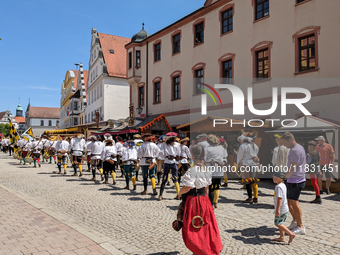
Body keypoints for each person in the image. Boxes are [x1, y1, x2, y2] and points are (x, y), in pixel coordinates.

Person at [174, 145, 223, 255]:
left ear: (192, 155)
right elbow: (206, 188)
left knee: (193, 226)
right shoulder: (206, 169)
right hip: (203, 199)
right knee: (204, 225)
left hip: (194, 201)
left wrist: (179, 193)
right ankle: (203, 248)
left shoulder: (192, 171)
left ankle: (199, 250)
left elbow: (188, 187)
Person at [280, 132, 306, 235]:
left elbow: (293, 167)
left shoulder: (295, 150)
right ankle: (295, 222)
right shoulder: (298, 148)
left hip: (295, 180)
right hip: (294, 180)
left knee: (294, 203)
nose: (284, 145)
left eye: (285, 143)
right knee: (290, 203)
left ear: (290, 140)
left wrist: (284, 178)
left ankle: (300, 226)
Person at [272, 171, 295, 244]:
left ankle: (290, 234)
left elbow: (279, 198)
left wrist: (278, 210)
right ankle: (282, 237)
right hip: (284, 208)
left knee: (277, 223)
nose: (273, 178)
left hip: (281, 209)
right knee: (280, 222)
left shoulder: (278, 187)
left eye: (275, 177)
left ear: (280, 178)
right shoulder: (283, 185)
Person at [205, 134, 226, 208]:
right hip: (219, 169)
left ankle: (210, 205)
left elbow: (204, 158)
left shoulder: (207, 148)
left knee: (210, 188)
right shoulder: (221, 148)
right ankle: (215, 202)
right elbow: (224, 158)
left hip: (211, 168)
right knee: (217, 187)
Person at [237, 135, 260, 203]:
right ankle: (255, 197)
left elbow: (240, 155)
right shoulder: (255, 145)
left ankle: (250, 197)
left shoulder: (243, 146)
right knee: (254, 181)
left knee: (247, 181)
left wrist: (238, 163)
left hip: (246, 164)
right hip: (254, 164)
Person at [159, 136, 180, 200]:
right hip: (172, 162)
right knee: (173, 178)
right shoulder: (176, 145)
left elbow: (161, 152)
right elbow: (178, 153)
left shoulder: (164, 144)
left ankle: (160, 195)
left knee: (166, 178)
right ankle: (178, 195)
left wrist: (166, 156)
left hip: (168, 161)